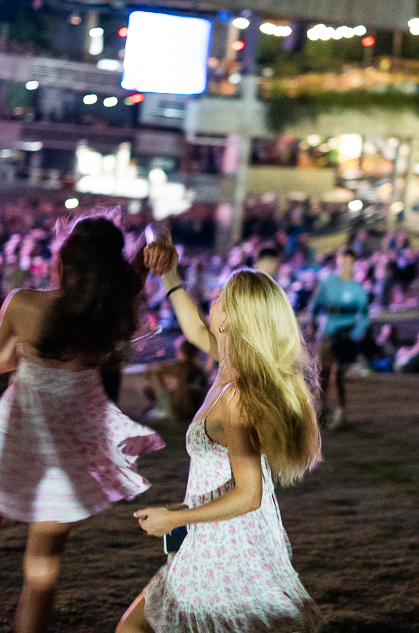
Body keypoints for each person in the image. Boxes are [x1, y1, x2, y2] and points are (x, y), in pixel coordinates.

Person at [0, 214, 165, 633]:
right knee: (42, 573)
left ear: (64, 261)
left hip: (14, 436)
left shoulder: (24, 304)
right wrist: (158, 239)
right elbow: (150, 240)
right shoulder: (112, 310)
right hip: (70, 450)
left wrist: (28, 349)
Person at [117, 235, 324, 633]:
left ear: (229, 319)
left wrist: (175, 517)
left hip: (227, 546)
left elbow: (249, 494)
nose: (210, 301)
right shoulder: (226, 366)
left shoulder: (238, 397)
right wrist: (170, 275)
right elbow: (193, 327)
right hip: (211, 535)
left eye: (217, 298)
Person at [309, 249, 369, 429]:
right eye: (343, 262)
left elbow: (364, 316)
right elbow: (315, 305)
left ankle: (340, 413)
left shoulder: (357, 289)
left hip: (345, 338)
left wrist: (354, 332)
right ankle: (322, 410)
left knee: (338, 376)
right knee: (323, 374)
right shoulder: (327, 284)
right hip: (327, 336)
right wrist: (313, 324)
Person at [142, 336, 211, 421]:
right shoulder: (199, 368)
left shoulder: (179, 367)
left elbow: (152, 370)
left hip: (183, 411)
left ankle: (163, 410)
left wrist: (162, 382)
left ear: (179, 351)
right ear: (196, 352)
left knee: (154, 378)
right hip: (199, 409)